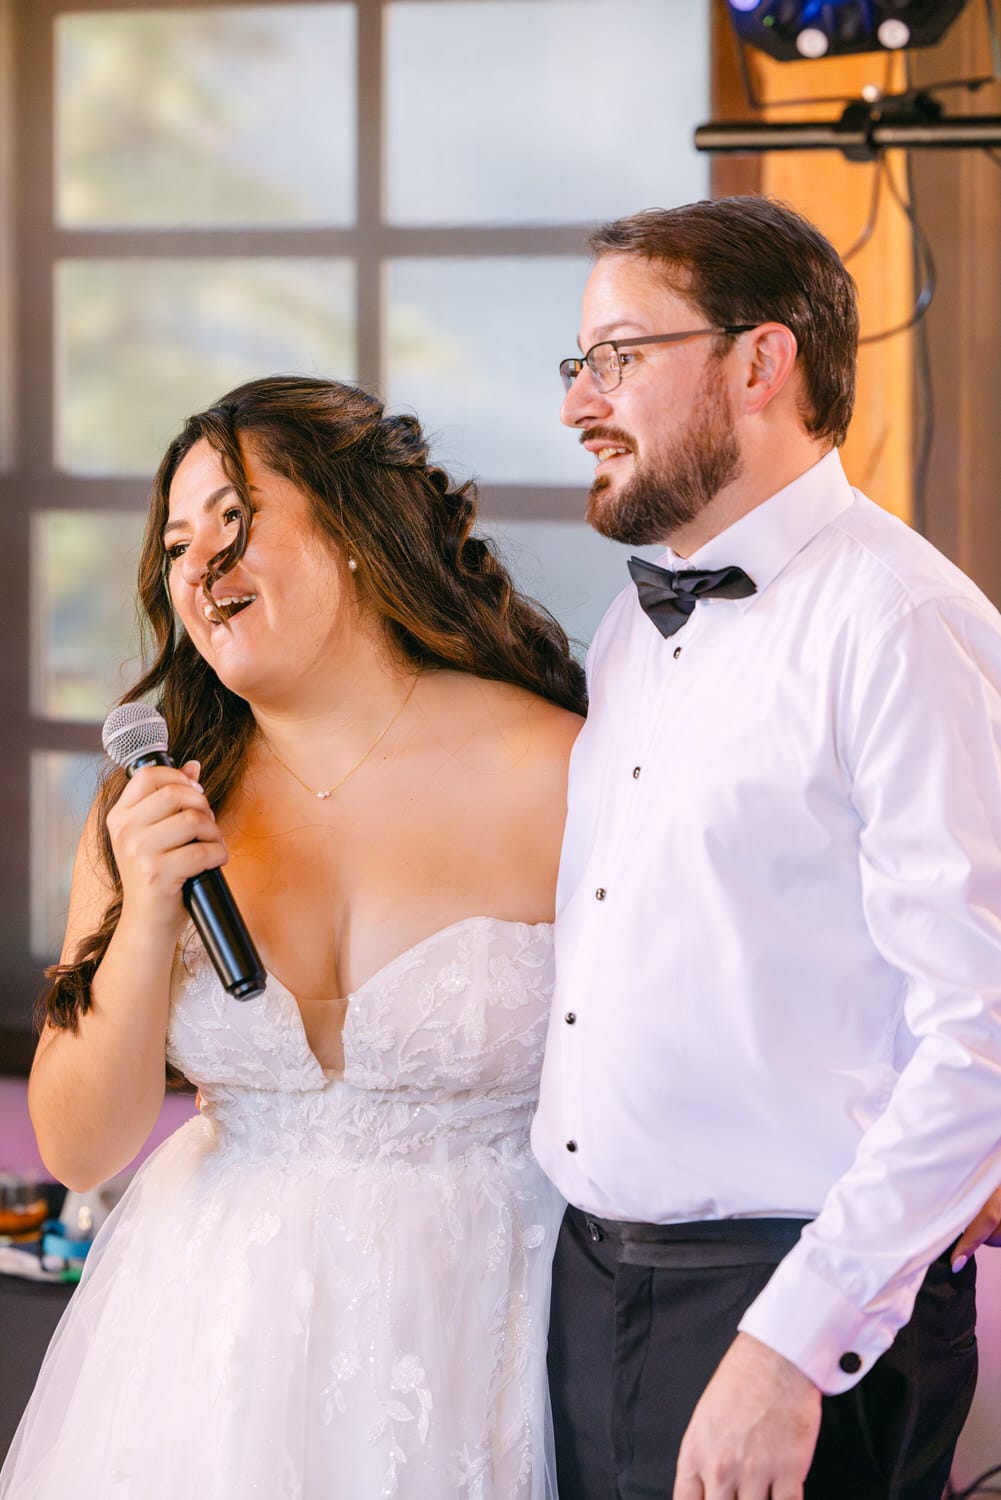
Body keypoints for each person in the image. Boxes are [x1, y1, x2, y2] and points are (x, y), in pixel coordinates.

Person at [2, 376, 584, 1499]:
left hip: (489, 1325)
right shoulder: (154, 797)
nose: (197, 564)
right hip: (206, 1347)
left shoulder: (559, 770)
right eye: (176, 541)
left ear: (357, 534)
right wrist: (146, 914)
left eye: (234, 519)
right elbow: (78, 1148)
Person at [531, 195, 1001, 1500]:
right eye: (575, 364)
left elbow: (983, 1030)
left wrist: (788, 1346)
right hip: (593, 1286)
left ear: (760, 360)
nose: (579, 404)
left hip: (782, 1308)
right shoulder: (631, 634)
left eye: (619, 356)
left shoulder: (898, 624)